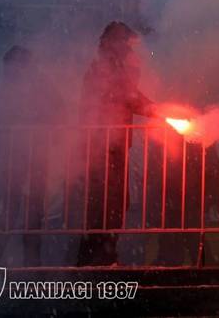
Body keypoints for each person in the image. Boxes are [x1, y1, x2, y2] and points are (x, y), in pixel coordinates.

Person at [76, 21, 158, 266]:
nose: (130, 49)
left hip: (112, 145)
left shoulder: (109, 66)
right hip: (104, 145)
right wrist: (158, 110)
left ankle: (96, 256)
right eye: (126, 43)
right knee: (108, 203)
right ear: (115, 43)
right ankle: (98, 257)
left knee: (111, 202)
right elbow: (126, 95)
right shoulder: (105, 68)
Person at [0, 46, 64, 266]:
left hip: (33, 155)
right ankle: (11, 262)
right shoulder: (10, 87)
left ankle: (25, 263)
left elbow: (58, 110)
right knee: (16, 210)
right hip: (17, 157)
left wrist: (45, 128)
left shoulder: (40, 85)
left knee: (25, 211)